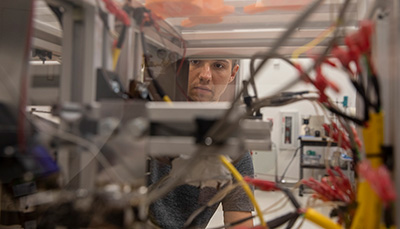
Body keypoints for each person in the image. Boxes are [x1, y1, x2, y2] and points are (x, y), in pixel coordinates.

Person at [148, 59, 254, 228]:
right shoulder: (146, 123)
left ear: (233, 74)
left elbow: (240, 223)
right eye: (195, 62)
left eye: (218, 65)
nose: (205, 75)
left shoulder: (233, 147)